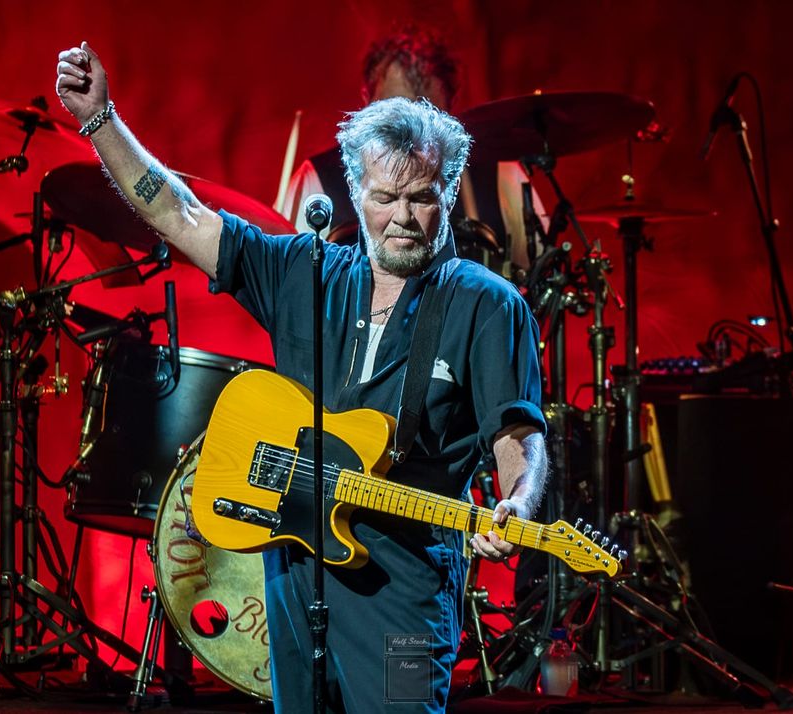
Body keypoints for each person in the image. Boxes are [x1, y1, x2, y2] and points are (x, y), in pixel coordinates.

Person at [56, 41, 548, 713]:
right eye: (385, 197)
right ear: (355, 193)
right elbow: (176, 213)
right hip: (294, 576)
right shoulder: (304, 272)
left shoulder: (487, 305)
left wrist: (517, 501)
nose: (403, 218)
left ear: (447, 193)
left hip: (406, 592)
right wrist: (100, 120)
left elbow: (517, 432)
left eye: (422, 198)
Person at [283, 24, 547, 275]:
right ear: (367, 101)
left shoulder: (502, 175)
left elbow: (538, 281)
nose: (411, 135)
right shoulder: (317, 178)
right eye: (395, 114)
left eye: (427, 115)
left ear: (451, 107)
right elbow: (293, 281)